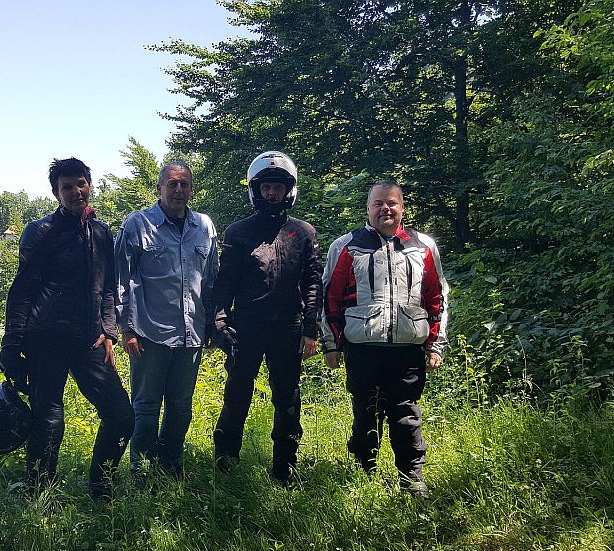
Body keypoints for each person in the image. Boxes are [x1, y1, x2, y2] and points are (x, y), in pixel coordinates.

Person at [0, 157, 134, 499]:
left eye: (81, 184)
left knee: (121, 415)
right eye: (67, 187)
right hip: (46, 338)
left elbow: (107, 287)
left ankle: (101, 487)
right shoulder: (40, 231)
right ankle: (40, 494)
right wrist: (11, 345)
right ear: (56, 193)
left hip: (89, 339)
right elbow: (23, 290)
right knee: (48, 420)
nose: (76, 192)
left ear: (90, 184)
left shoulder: (101, 232)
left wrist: (109, 331)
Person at [320, 180, 449, 497]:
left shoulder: (423, 246)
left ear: (402, 207)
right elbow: (329, 297)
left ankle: (412, 478)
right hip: (361, 347)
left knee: (406, 414)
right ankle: (363, 473)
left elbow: (436, 297)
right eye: (378, 203)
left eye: (391, 203)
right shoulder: (346, 245)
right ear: (368, 208)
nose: (385, 209)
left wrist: (435, 344)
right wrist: (331, 344)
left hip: (408, 347)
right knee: (366, 412)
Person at [212, 151, 323, 486]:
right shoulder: (238, 232)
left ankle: (285, 468)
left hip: (288, 326)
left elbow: (313, 282)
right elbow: (225, 283)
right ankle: (225, 466)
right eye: (266, 187)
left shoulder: (303, 233)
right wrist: (219, 323)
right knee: (236, 394)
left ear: (289, 190)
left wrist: (311, 329)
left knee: (287, 398)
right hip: (246, 326)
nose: (272, 193)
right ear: (255, 190)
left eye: (278, 187)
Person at [115, 161, 219, 481]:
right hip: (149, 333)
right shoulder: (137, 225)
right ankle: (142, 473)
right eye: (172, 184)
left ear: (191, 189)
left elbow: (212, 280)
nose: (178, 190)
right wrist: (127, 328)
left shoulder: (204, 227)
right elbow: (121, 280)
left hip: (192, 334)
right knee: (146, 408)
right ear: (159, 188)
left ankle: (171, 468)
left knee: (181, 407)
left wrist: (213, 325)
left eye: (184, 184)